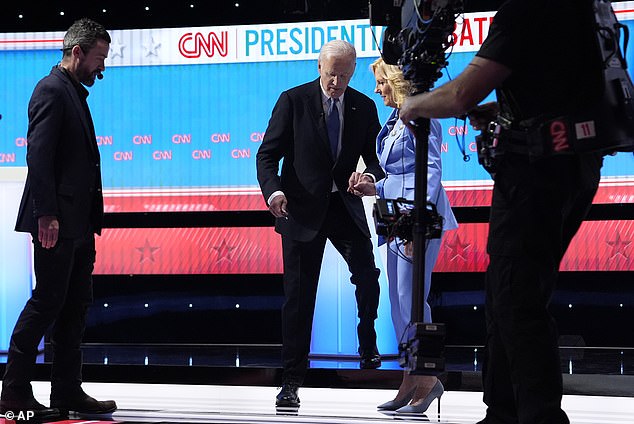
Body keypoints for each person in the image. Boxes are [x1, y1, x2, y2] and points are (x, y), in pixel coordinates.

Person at [399, 1, 604, 423]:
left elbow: (461, 95)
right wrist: (507, 112)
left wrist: (413, 105)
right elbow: (559, 88)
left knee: (517, 301)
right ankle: (503, 413)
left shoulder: (525, 11)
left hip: (537, 174)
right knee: (506, 297)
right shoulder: (582, 9)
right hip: (572, 167)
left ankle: (538, 416)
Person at [256, 39, 386, 408]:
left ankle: (367, 343)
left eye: (344, 76)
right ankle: (291, 381)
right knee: (298, 300)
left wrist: (369, 179)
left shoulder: (364, 106)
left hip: (344, 208)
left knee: (367, 275)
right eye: (332, 75)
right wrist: (274, 193)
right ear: (319, 68)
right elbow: (267, 156)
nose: (337, 83)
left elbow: (376, 161)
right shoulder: (292, 100)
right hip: (299, 212)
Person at [0, 18, 117, 420]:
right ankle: (13, 390)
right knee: (48, 301)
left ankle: (67, 392)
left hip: (79, 223)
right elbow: (39, 156)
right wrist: (46, 213)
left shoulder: (73, 92)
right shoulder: (51, 90)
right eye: (99, 58)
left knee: (74, 306)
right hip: (57, 221)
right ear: (77, 52)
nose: (102, 67)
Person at [352, 57, 458, 414]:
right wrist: (374, 185)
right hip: (395, 219)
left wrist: (417, 220)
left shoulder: (421, 117)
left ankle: (427, 378)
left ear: (396, 81)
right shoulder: (396, 120)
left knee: (412, 300)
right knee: (398, 303)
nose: (377, 89)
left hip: (417, 220)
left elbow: (429, 171)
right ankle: (411, 378)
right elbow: (399, 172)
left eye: (381, 82)